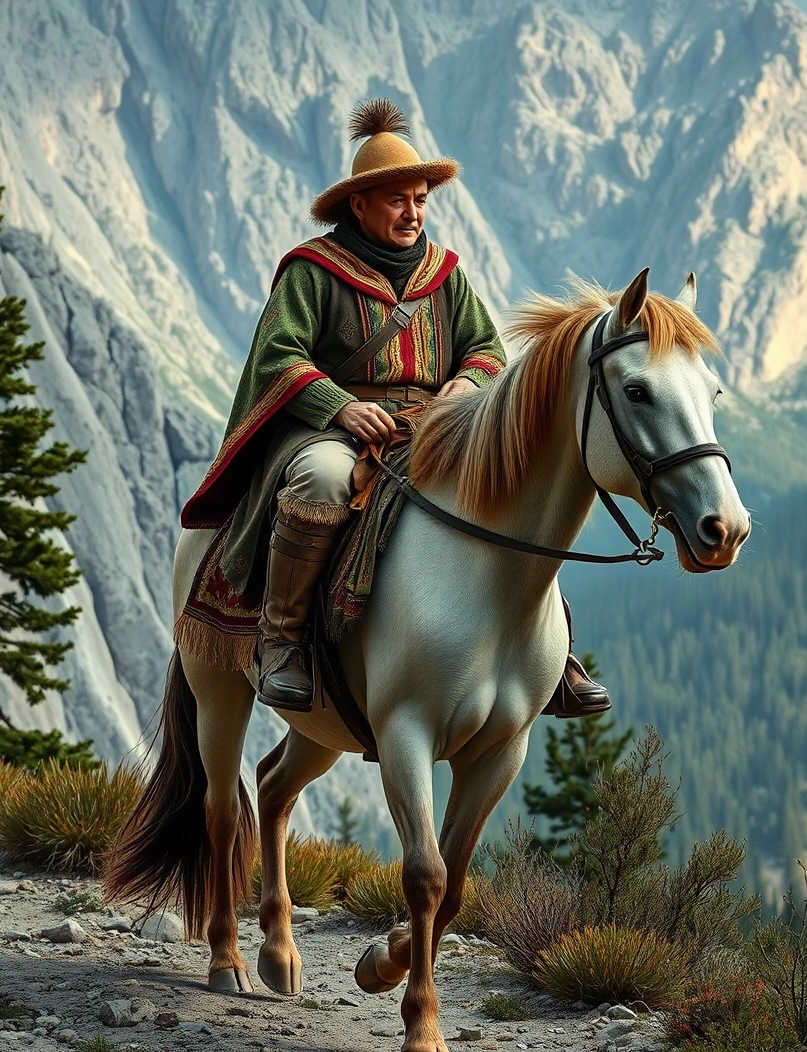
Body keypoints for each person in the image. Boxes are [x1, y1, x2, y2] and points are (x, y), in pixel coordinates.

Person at [178, 99, 609, 719]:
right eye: (398, 201)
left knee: (512, 487)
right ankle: (283, 640)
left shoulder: (446, 275)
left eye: (420, 200)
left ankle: (549, 652)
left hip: (431, 425)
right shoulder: (313, 271)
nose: (413, 214)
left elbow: (486, 348)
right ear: (359, 204)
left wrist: (464, 384)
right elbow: (277, 356)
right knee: (324, 481)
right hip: (330, 430)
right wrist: (341, 406)